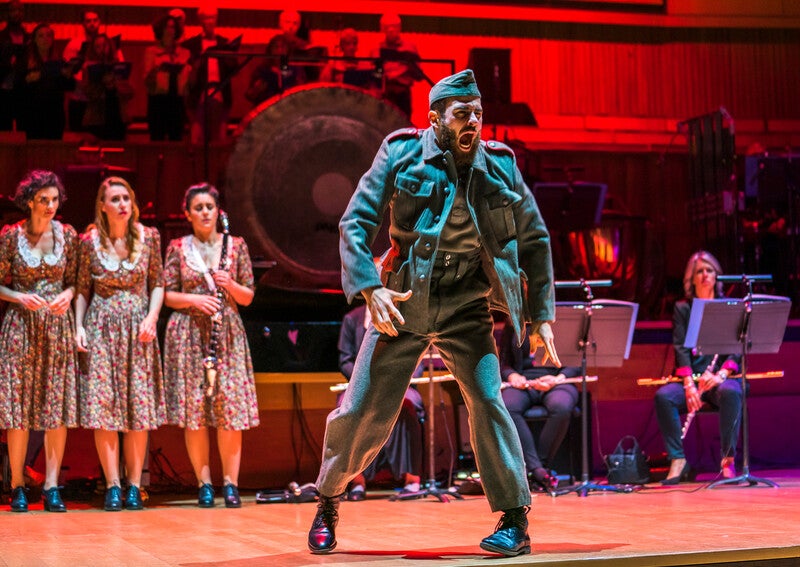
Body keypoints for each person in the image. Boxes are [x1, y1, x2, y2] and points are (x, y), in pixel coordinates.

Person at [307, 69, 559, 558]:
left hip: (467, 302)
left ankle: (514, 519)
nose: (473, 124)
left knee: (488, 400)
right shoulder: (400, 152)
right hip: (403, 302)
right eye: (462, 114)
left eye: (478, 114)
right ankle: (328, 497)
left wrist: (542, 314)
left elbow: (535, 238)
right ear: (435, 119)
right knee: (361, 410)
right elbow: (354, 222)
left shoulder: (500, 165)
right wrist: (369, 288)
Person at [162, 183, 259, 508]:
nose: (205, 212)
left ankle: (230, 483)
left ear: (219, 211)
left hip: (226, 333)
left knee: (229, 410)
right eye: (198, 207)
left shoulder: (236, 246)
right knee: (196, 413)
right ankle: (204, 483)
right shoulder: (177, 247)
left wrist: (230, 284)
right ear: (187, 213)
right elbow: (166, 294)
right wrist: (194, 299)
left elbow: (248, 296)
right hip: (189, 334)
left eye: (210, 207)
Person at [75, 176, 165, 511]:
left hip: (137, 329)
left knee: (137, 411)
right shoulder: (89, 241)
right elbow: (83, 288)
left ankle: (133, 485)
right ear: (102, 205)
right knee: (105, 411)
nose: (122, 204)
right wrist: (79, 326)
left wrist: (152, 316)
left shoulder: (148, 237)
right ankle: (112, 484)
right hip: (101, 327)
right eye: (115, 199)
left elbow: (158, 282)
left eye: (126, 198)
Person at [0, 170, 79, 513]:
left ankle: (51, 485)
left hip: (56, 330)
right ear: (29, 201)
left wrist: (68, 294)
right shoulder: (10, 236)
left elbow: (78, 281)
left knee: (55, 410)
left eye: (55, 200)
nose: (50, 206)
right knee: (19, 411)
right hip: (21, 328)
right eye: (43, 199)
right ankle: (17, 483)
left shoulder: (68, 235)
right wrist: (18, 297)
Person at [655, 250, 742, 484]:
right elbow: (680, 347)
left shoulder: (728, 305)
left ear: (717, 276)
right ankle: (677, 459)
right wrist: (688, 385)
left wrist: (722, 374)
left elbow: (737, 347)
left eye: (709, 270)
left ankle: (728, 460)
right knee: (664, 397)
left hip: (719, 380)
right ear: (691, 278)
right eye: (699, 271)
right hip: (692, 382)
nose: (705, 275)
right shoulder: (683, 308)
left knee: (733, 392)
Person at [336, 302, 423, 500]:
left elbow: (418, 356)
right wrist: (365, 379)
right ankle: (357, 480)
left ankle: (412, 479)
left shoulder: (407, 314)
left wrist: (398, 379)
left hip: (400, 385)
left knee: (408, 403)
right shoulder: (352, 318)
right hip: (363, 384)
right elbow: (345, 361)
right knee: (346, 406)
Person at [497, 315, 579, 493]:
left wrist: (558, 378)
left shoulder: (562, 322)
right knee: (508, 407)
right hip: (523, 382)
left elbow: (576, 359)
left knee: (561, 406)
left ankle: (537, 468)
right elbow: (504, 362)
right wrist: (513, 376)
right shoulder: (513, 323)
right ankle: (541, 472)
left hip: (557, 381)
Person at [62, 9, 124, 132]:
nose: (92, 23)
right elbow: (67, 69)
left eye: (95, 20)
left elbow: (121, 68)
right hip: (82, 95)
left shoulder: (110, 44)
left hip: (108, 96)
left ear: (99, 22)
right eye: (88, 21)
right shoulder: (74, 44)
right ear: (83, 24)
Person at [183, 5, 235, 145]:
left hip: (221, 91)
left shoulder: (224, 43)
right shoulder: (191, 44)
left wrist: (230, 58)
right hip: (199, 93)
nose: (210, 21)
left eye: (213, 17)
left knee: (220, 137)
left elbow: (233, 70)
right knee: (197, 137)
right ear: (200, 21)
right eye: (206, 18)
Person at [16, 23, 75, 140]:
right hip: (32, 116)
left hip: (54, 116)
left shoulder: (59, 60)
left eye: (49, 36)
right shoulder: (25, 60)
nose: (45, 39)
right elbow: (17, 86)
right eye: (41, 36)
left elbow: (70, 86)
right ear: (34, 40)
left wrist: (68, 76)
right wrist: (28, 80)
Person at [143, 13, 191, 141]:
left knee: (176, 140)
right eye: (167, 27)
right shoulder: (152, 51)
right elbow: (147, 81)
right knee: (157, 139)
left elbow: (188, 81)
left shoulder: (184, 52)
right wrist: (158, 68)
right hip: (158, 101)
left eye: (173, 27)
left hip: (177, 101)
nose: (170, 31)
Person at [80, 32, 132, 141]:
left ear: (109, 46)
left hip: (118, 115)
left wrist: (115, 85)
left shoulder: (119, 65)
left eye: (104, 45)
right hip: (97, 117)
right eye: (97, 47)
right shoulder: (89, 67)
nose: (102, 49)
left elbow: (129, 93)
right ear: (93, 49)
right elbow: (87, 92)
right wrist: (103, 84)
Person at [371, 13, 420, 118]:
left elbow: (419, 75)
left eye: (394, 26)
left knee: (404, 123)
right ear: (383, 29)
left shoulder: (409, 48)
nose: (391, 30)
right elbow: (373, 75)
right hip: (386, 93)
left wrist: (407, 67)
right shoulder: (377, 50)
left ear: (399, 28)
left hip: (403, 93)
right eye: (387, 27)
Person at [0, 0, 29, 131]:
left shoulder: (29, 38)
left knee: (25, 129)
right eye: (13, 10)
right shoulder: (1, 37)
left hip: (24, 89)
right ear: (7, 13)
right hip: (4, 90)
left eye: (20, 10)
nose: (16, 13)